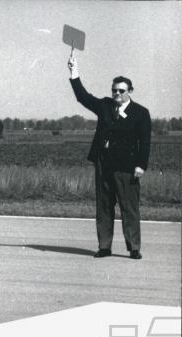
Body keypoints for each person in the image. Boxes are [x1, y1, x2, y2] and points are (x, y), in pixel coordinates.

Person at [67, 55, 151, 260]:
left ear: (130, 91)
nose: (117, 94)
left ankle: (134, 248)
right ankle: (104, 246)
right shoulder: (104, 105)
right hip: (103, 163)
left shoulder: (141, 113)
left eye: (121, 91)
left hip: (126, 166)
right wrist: (74, 72)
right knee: (103, 206)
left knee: (129, 207)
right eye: (114, 90)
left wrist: (141, 165)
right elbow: (83, 97)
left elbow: (145, 142)